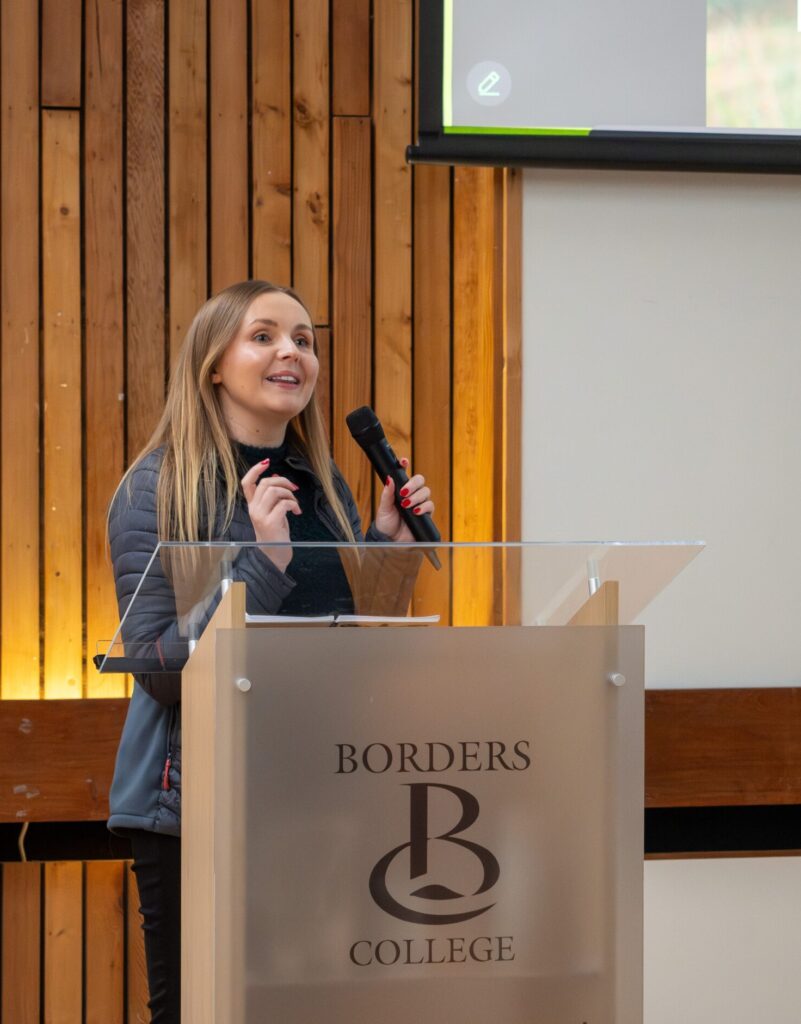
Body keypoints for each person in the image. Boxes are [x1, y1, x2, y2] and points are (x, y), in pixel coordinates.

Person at [106, 280, 434, 1024]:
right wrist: (261, 561)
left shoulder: (324, 490)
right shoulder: (157, 487)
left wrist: (389, 550)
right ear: (213, 365)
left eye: (304, 340)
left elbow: (361, 657)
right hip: (195, 807)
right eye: (264, 335)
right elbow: (159, 671)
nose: (291, 351)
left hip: (318, 794)